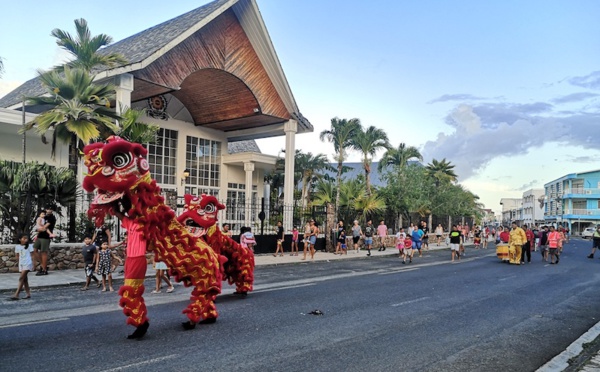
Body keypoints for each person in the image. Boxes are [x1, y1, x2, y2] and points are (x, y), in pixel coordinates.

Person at [10, 234, 34, 300]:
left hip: (28, 263)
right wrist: (18, 264)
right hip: (22, 264)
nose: (25, 240)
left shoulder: (30, 246)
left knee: (21, 278)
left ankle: (16, 294)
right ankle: (28, 294)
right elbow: (17, 256)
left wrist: (33, 264)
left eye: (26, 238)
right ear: (20, 239)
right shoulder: (17, 247)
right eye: (24, 238)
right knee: (25, 279)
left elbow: (32, 255)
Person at [34, 206, 56, 276]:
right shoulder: (44, 216)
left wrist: (39, 229)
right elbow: (38, 226)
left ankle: (44, 269)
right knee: (35, 250)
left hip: (46, 237)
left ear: (52, 210)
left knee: (43, 252)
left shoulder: (52, 218)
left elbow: (44, 227)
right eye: (47, 209)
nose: (49, 210)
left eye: (50, 209)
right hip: (39, 236)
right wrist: (38, 230)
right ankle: (43, 265)